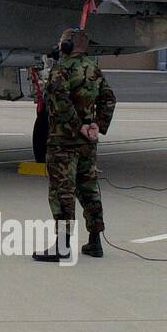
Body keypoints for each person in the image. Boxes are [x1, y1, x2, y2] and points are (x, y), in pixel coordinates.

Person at [33, 26, 116, 261]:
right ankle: (95, 242)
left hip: (63, 142)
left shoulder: (61, 70)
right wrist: (97, 126)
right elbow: (109, 98)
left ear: (68, 45)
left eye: (62, 42)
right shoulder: (93, 68)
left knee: (62, 193)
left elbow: (59, 101)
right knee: (89, 189)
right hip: (87, 143)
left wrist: (77, 126)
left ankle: (62, 246)